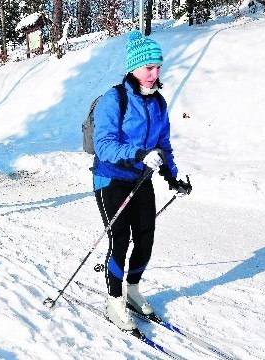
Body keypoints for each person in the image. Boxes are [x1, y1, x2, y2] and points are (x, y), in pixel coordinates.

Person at [91, 30, 192, 332]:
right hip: (110, 178)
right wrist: (139, 154)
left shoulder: (158, 103)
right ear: (134, 68)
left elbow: (163, 145)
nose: (154, 73)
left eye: (158, 67)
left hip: (141, 178)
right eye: (149, 67)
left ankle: (132, 289)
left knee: (145, 239)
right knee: (119, 239)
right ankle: (113, 300)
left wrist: (172, 176)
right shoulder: (115, 99)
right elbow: (104, 144)